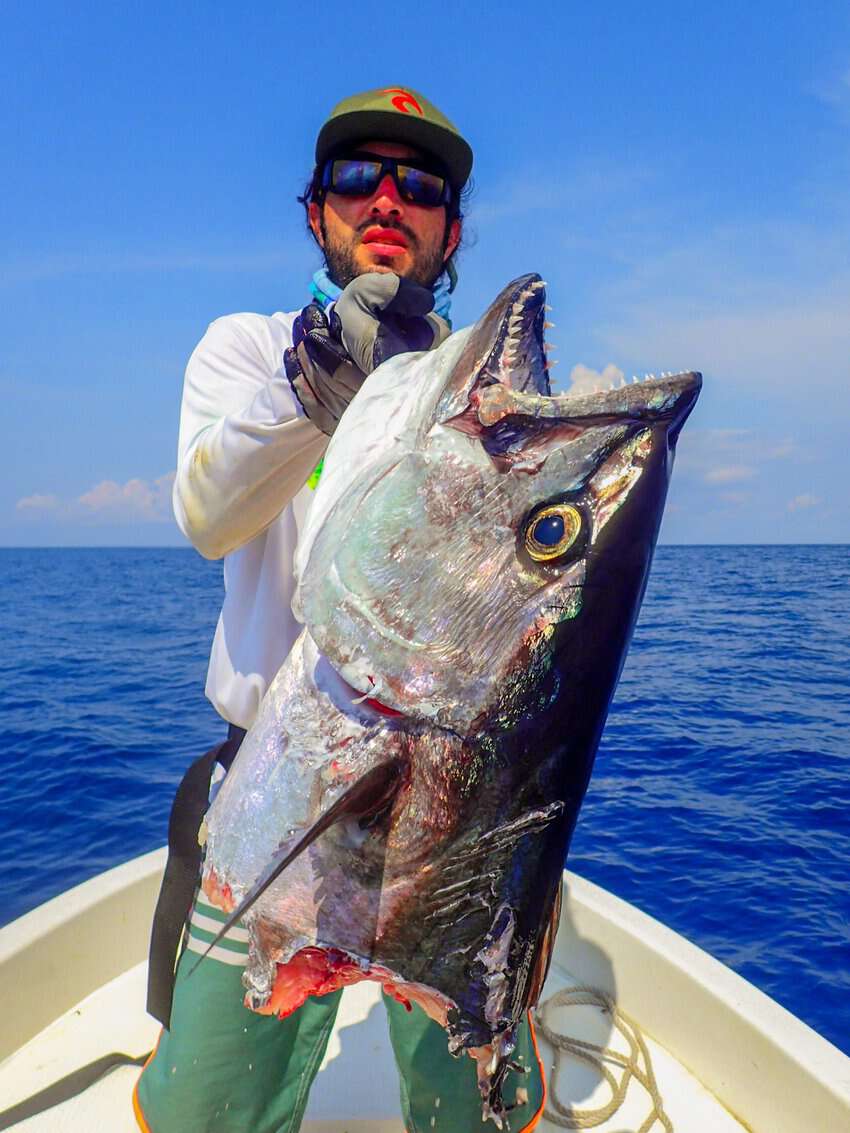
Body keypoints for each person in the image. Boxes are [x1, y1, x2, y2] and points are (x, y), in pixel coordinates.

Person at [134, 86, 545, 1133]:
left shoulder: (484, 390)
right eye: (358, 176)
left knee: (474, 1106)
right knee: (209, 1110)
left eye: (420, 186)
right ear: (316, 207)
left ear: (451, 228)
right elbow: (208, 515)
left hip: (453, 798)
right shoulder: (246, 348)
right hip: (278, 789)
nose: (387, 199)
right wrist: (308, 380)